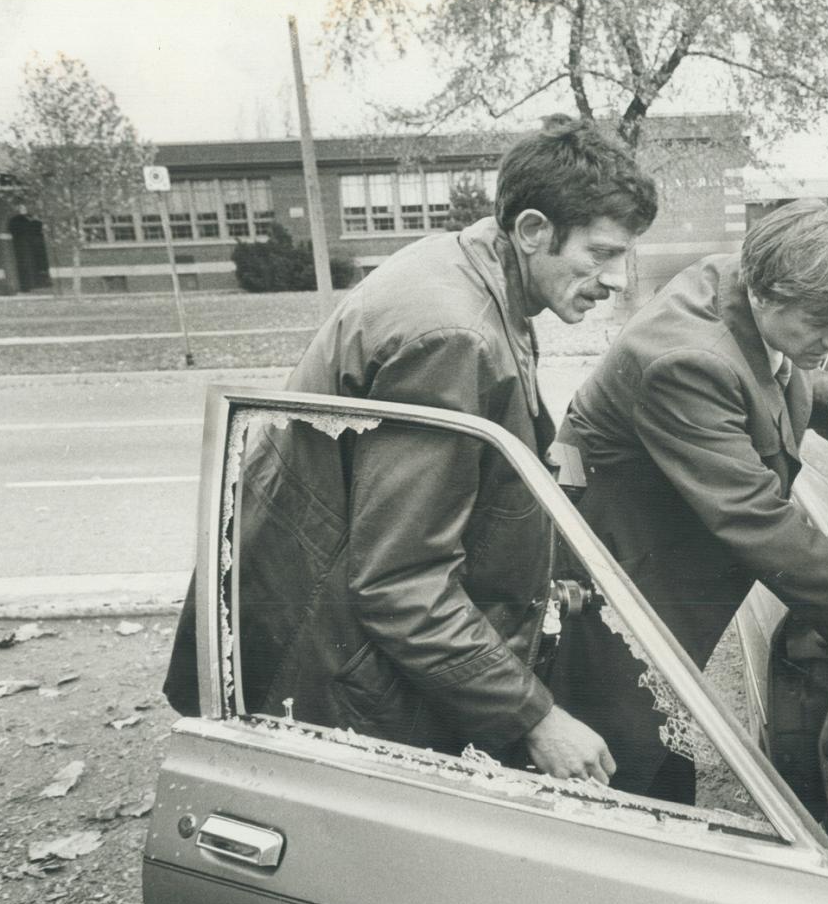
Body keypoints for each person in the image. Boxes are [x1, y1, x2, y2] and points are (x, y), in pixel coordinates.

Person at [161, 114, 657, 784]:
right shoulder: (455, 334)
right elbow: (400, 581)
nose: (620, 279)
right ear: (533, 230)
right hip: (327, 662)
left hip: (312, 620)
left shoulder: (480, 273)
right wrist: (533, 717)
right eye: (601, 254)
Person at [549, 199, 828, 802]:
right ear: (768, 293)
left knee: (658, 722)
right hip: (626, 559)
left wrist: (827, 392)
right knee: (618, 751)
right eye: (823, 326)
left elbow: (766, 361)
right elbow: (756, 518)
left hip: (661, 526)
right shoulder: (687, 360)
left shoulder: (742, 277)